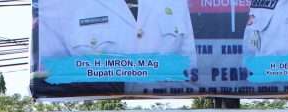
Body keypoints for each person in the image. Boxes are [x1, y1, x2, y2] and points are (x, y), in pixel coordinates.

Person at [38, 0, 196, 61]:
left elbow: (189, 66)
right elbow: (51, 70)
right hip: (93, 105)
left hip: (165, 104)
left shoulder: (175, 2)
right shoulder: (61, 4)